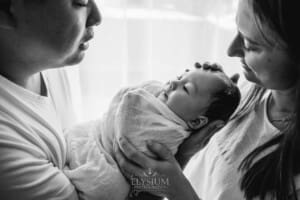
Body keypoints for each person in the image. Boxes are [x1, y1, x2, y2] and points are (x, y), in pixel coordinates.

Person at [114, 0, 300, 199]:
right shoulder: (245, 90)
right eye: (236, 29)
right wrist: (180, 157)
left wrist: (179, 193)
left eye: (249, 44)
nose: (230, 50)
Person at [63, 63, 240, 200]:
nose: (173, 83)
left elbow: (130, 122)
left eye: (186, 89)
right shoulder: (159, 96)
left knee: (108, 187)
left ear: (196, 121)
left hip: (108, 163)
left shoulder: (170, 132)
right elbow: (127, 97)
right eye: (180, 76)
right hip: (97, 137)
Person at [0, 0, 101, 199]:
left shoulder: (49, 61)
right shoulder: (5, 144)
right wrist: (168, 161)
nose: (97, 17)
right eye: (80, 2)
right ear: (5, 10)